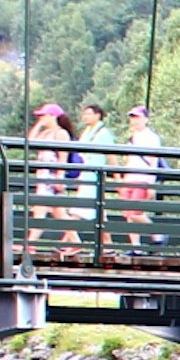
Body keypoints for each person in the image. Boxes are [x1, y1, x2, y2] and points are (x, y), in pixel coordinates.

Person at [26, 103, 75, 255]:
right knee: (59, 214)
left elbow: (63, 157)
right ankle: (76, 242)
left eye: (44, 115)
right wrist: (39, 125)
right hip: (43, 176)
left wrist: (60, 178)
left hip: (51, 177)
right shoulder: (46, 133)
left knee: (39, 210)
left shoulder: (61, 134)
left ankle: (30, 244)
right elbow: (30, 142)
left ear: (53, 116)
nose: (41, 118)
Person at [118, 105, 163, 252]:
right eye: (132, 118)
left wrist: (151, 185)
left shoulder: (152, 138)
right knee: (128, 215)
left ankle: (157, 235)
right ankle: (135, 246)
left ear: (146, 119)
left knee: (134, 212)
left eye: (137, 117)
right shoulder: (132, 138)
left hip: (142, 178)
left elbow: (153, 162)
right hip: (130, 178)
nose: (134, 121)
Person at [73, 102, 115, 256]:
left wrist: (117, 175)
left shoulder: (103, 134)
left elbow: (111, 156)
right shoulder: (87, 132)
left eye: (89, 113)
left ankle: (72, 242)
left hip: (95, 175)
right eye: (84, 114)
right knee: (97, 211)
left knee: (81, 210)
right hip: (86, 174)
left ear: (98, 115)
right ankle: (107, 244)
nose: (85, 117)